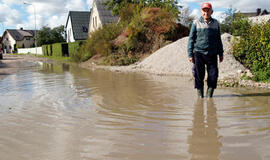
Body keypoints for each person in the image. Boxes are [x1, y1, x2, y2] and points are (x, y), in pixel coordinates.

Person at [187, 2, 223, 98]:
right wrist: (190, 54)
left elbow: (218, 39)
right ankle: (200, 97)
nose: (206, 12)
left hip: (212, 54)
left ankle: (209, 96)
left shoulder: (216, 23)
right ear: (201, 11)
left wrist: (221, 53)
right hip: (199, 54)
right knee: (199, 76)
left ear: (212, 12)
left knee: (213, 76)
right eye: (204, 10)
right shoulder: (196, 23)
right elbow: (191, 39)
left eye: (208, 10)